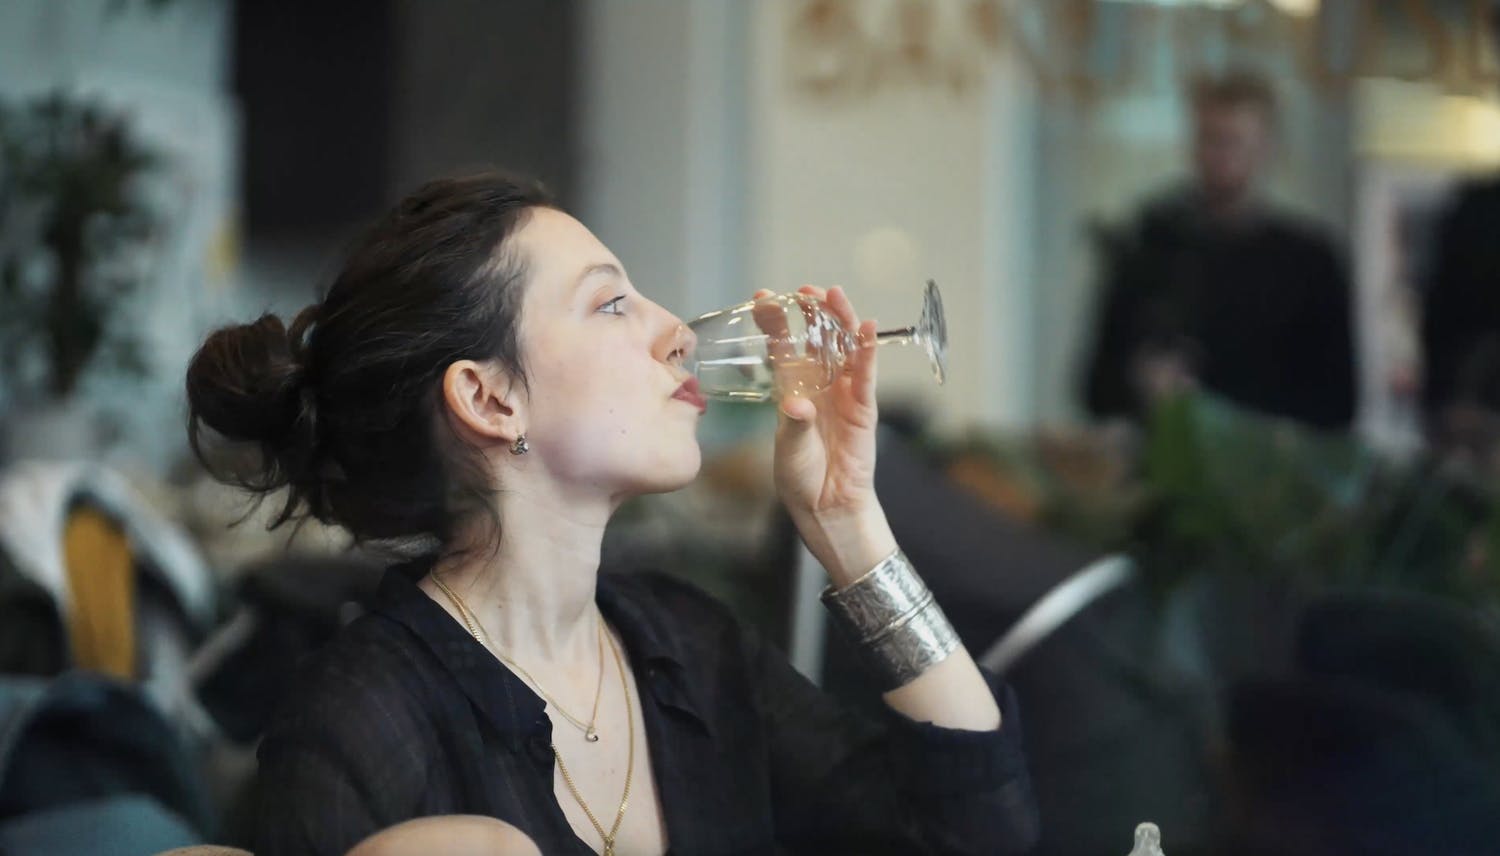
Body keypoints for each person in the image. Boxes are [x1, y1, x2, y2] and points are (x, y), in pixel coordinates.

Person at [184, 172, 1037, 856]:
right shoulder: (360, 722)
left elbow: (975, 834)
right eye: (611, 303)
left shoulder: (686, 646)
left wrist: (848, 526)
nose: (678, 333)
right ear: (489, 398)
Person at [1081, 69, 1357, 431]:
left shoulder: (1310, 261)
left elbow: (1337, 401)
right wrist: (1141, 383)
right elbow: (1096, 388)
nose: (1220, 155)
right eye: (1210, 139)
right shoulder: (1153, 248)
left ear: (1266, 147)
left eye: (1235, 141)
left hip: (1267, 471)